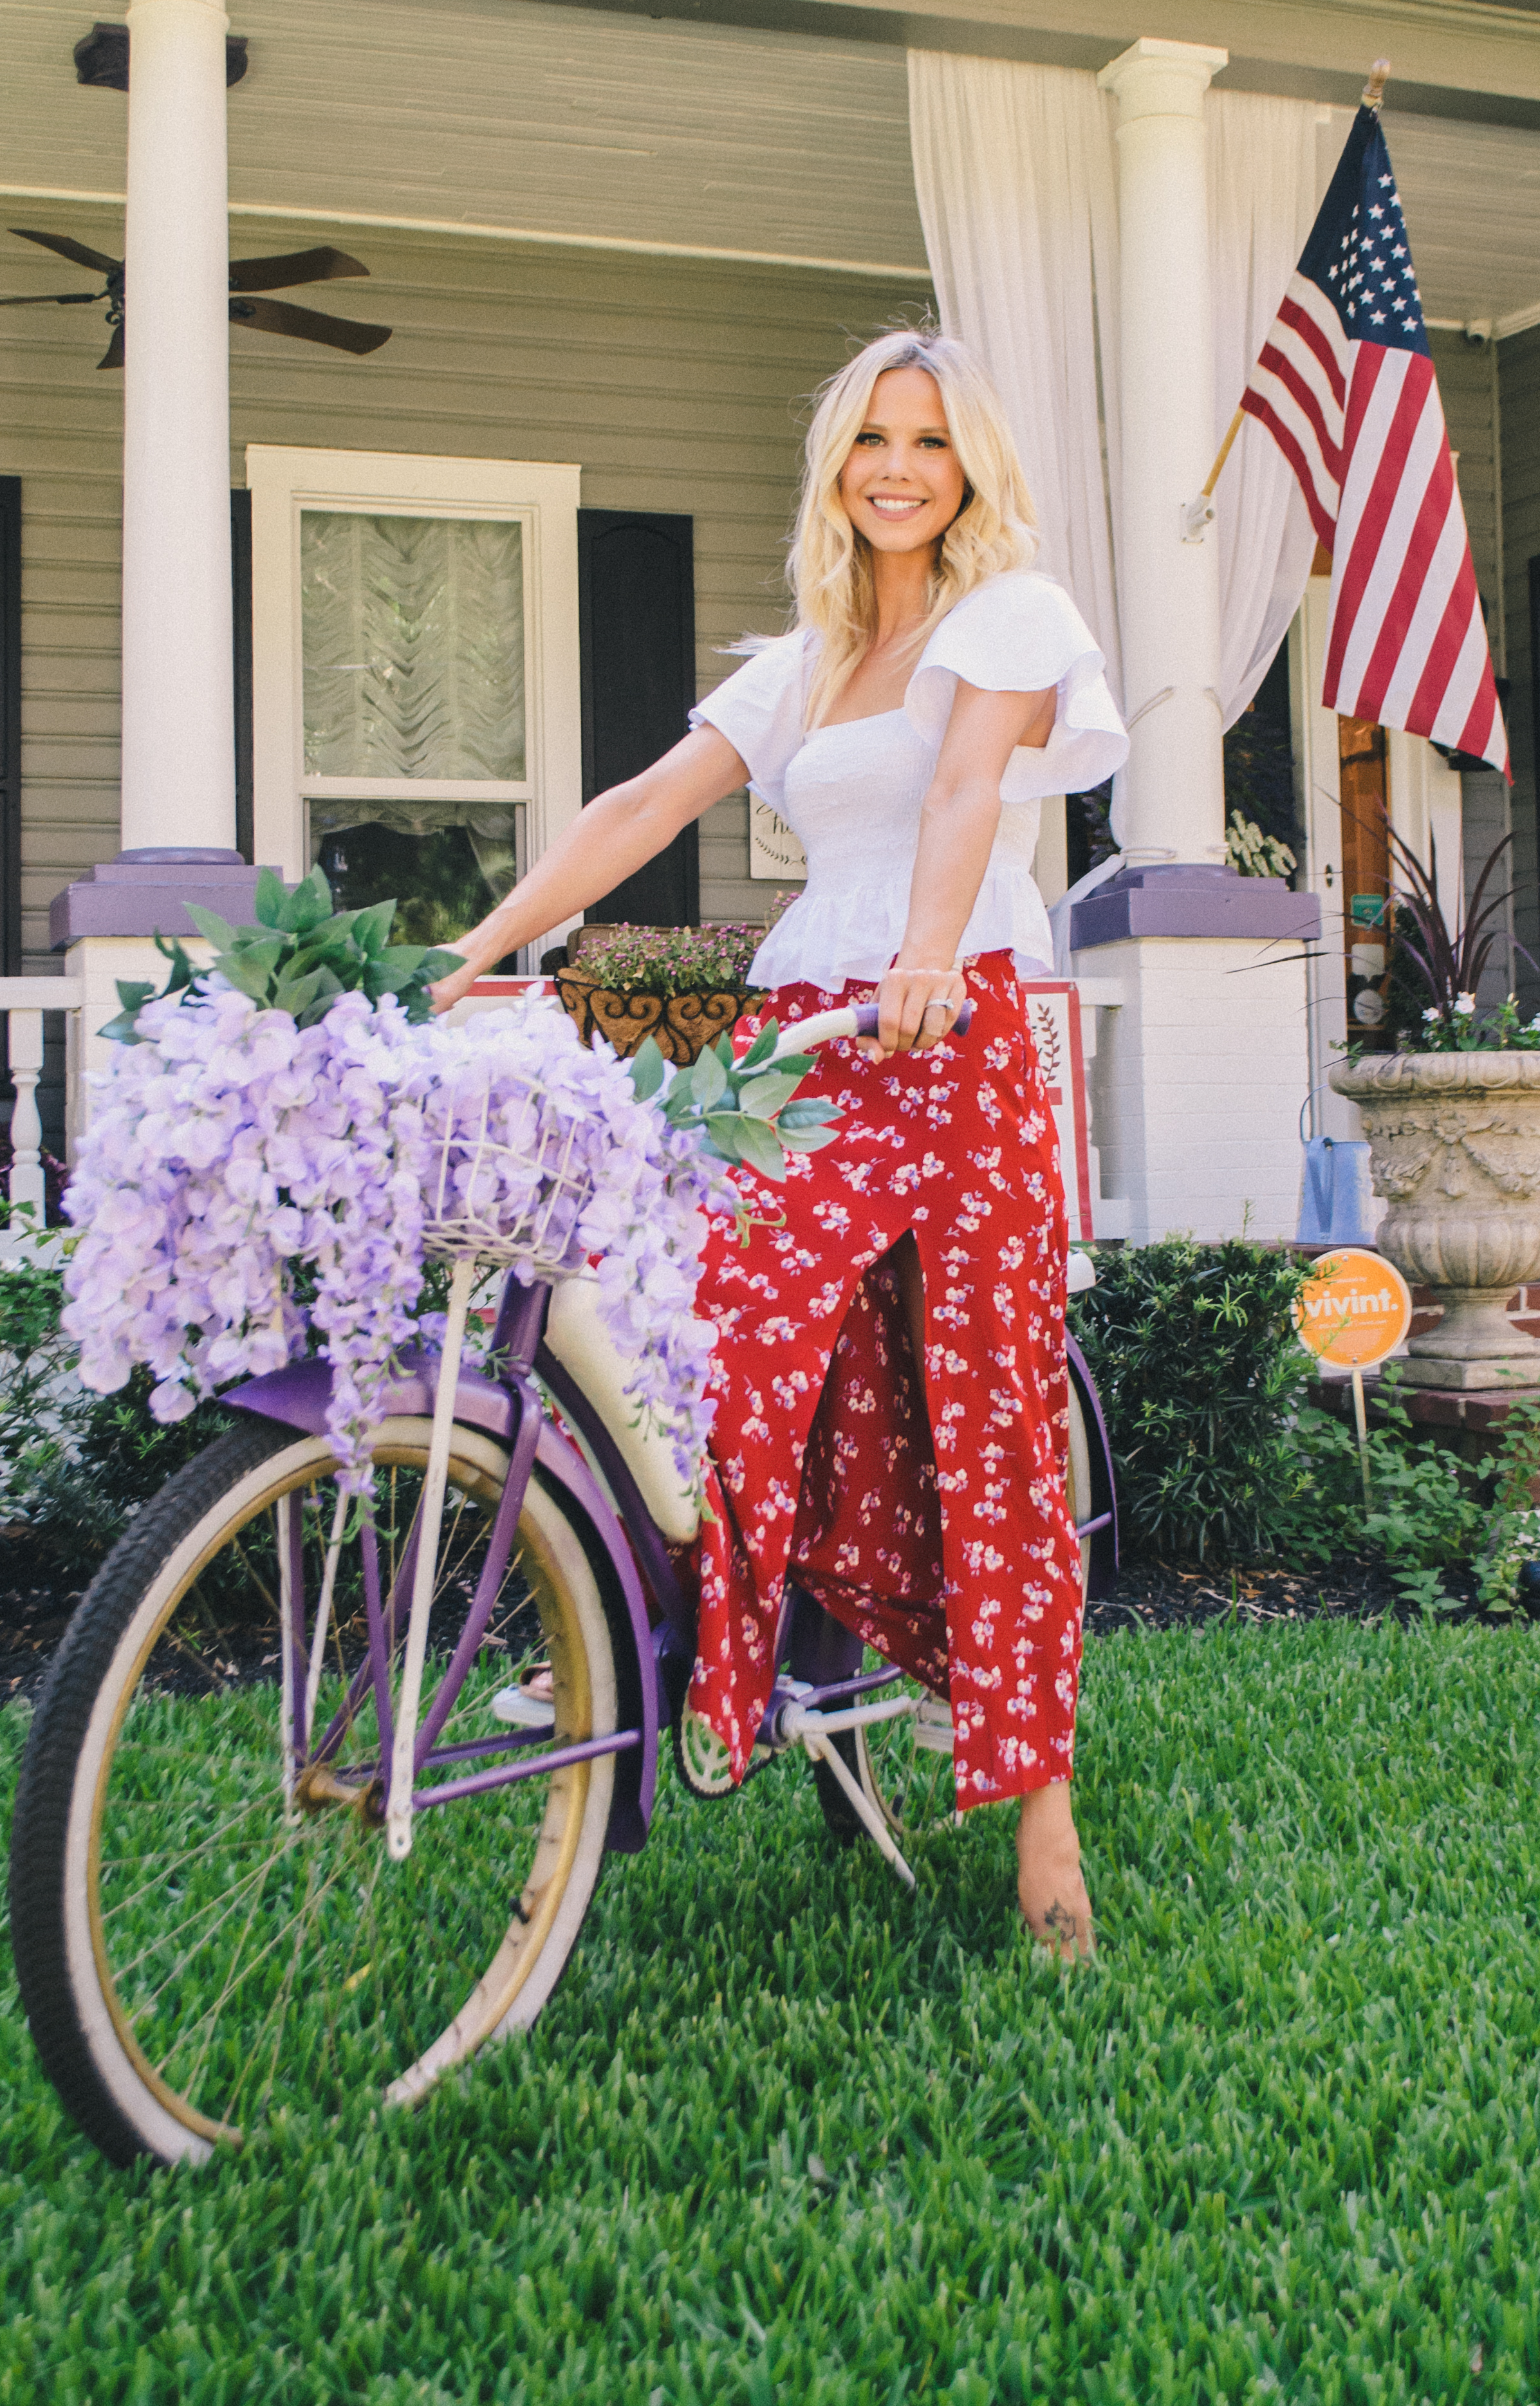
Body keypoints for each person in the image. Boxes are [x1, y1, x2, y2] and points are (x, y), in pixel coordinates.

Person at [432, 330, 1126, 1957]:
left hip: (945, 1038)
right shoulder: (807, 654)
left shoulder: (1011, 612)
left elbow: (965, 792)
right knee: (706, 1341)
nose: (898, 467)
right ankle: (705, 1635)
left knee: (986, 1411)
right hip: (806, 1050)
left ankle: (1041, 1810)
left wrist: (935, 953)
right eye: (872, 439)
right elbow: (643, 808)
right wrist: (476, 948)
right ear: (836, 463)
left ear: (971, 471)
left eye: (930, 443)